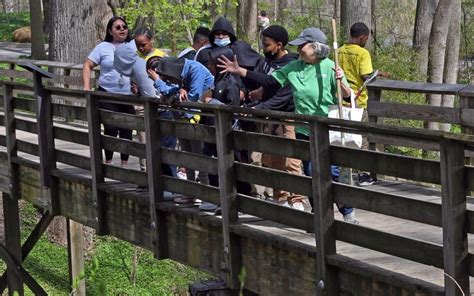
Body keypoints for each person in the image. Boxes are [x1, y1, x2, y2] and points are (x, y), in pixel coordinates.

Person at [218, 27, 359, 224]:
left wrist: (341, 83)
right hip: (304, 128)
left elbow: (346, 96)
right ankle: (320, 214)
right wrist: (240, 71)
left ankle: (347, 210)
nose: (299, 49)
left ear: (316, 47)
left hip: (328, 129)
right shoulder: (295, 67)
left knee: (331, 173)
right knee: (310, 172)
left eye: (303, 46)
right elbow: (268, 81)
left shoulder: (330, 66)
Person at [249, 25, 304, 210]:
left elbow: (284, 92)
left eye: (267, 45)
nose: (264, 48)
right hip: (269, 116)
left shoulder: (292, 63)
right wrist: (260, 92)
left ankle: (296, 198)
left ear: (279, 45)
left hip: (288, 115)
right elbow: (270, 82)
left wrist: (262, 105)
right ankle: (279, 196)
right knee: (271, 158)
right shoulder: (267, 61)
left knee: (291, 159)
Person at [148, 57, 214, 206]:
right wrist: (176, 92)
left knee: (199, 158)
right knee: (186, 157)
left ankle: (206, 194)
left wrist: (171, 93)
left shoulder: (195, 70)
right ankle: (191, 192)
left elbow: (192, 98)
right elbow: (172, 92)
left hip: (197, 120)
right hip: (182, 118)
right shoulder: (181, 72)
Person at [338, 22, 390, 187]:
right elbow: (365, 75)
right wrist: (378, 74)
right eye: (366, 38)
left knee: (343, 137)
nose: (366, 41)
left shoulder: (339, 51)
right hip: (357, 101)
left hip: (341, 100)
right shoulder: (363, 53)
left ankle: (342, 173)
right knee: (362, 138)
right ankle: (364, 175)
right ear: (362, 37)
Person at [82, 16, 135, 167]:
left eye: (124, 26)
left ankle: (125, 165)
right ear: (111, 31)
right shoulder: (103, 47)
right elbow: (87, 65)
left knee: (127, 129)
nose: (122, 29)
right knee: (111, 128)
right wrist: (86, 87)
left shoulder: (132, 46)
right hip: (107, 93)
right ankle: (109, 162)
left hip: (127, 95)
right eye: (117, 27)